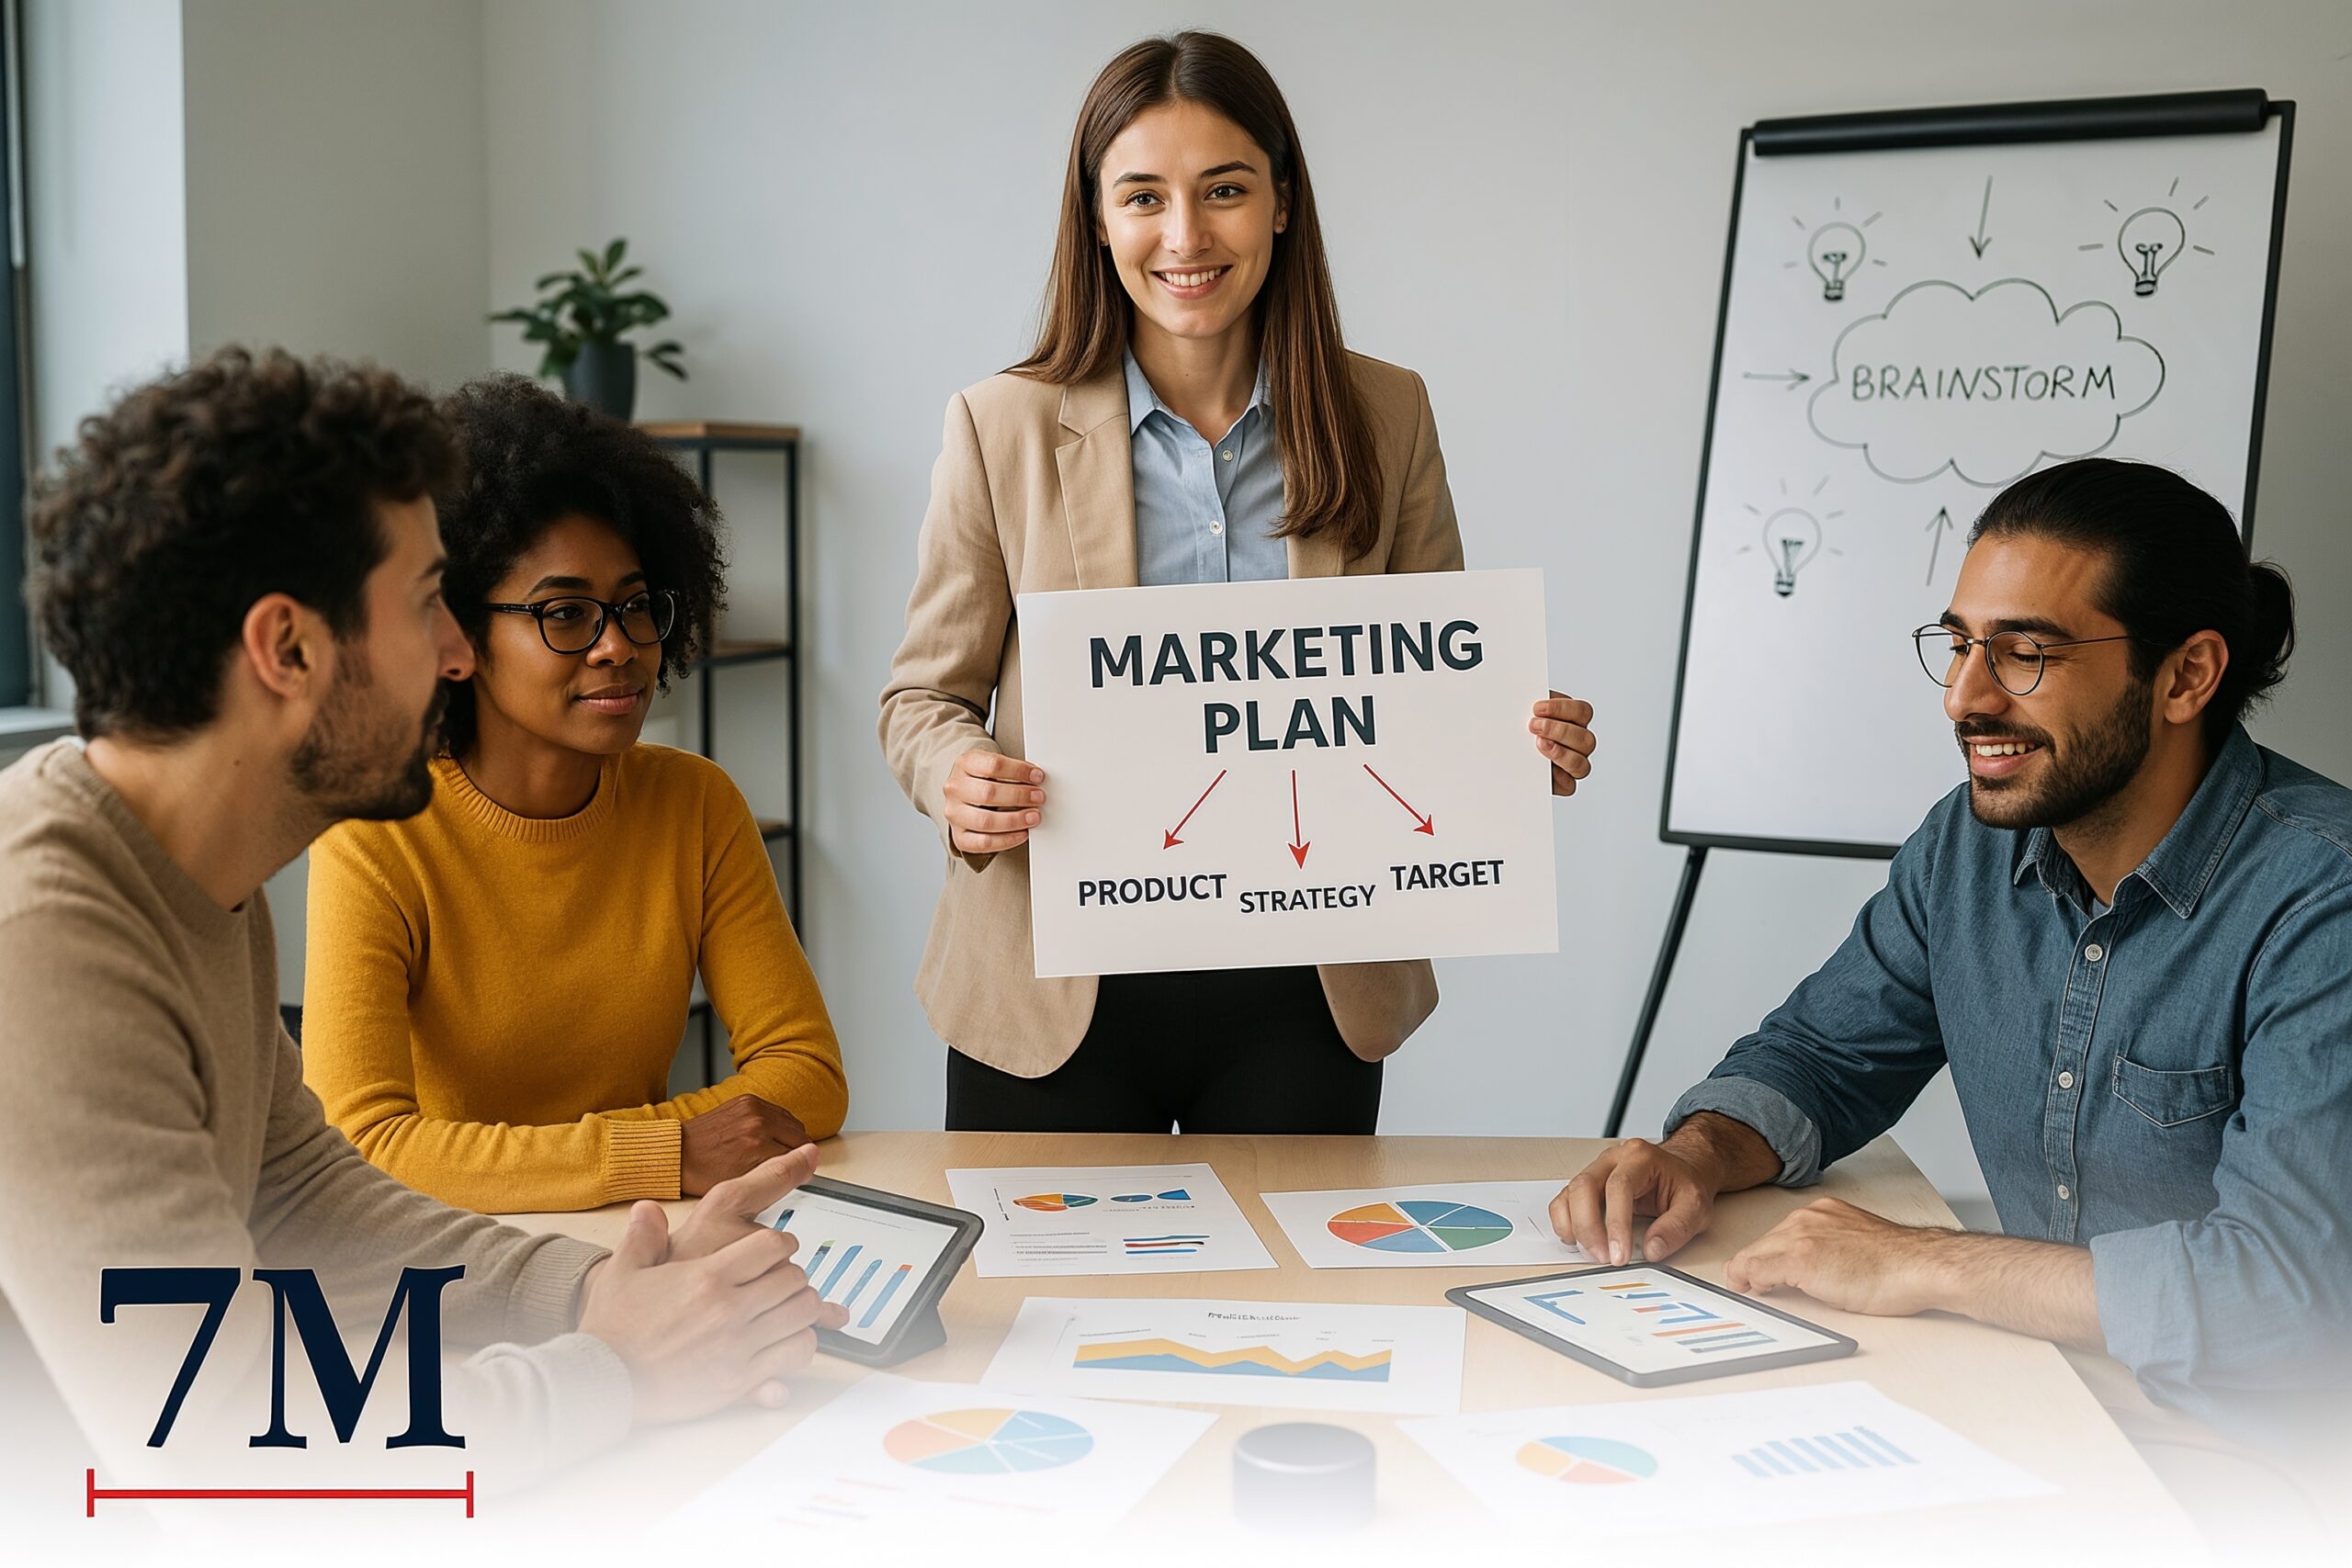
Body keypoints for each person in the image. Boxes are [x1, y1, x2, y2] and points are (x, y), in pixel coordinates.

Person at [0, 348, 845, 1489]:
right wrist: (615, 1369)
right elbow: (219, 1452)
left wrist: (597, 1290)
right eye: (423, 605)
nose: (454, 653)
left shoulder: (204, 876)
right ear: (289, 649)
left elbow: (306, 1194)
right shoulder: (42, 942)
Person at [878, 31, 1598, 1134]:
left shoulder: (1387, 413)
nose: (1184, 236)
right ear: (1097, 218)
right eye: (1142, 197)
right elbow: (921, 699)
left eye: (1223, 189)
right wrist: (955, 778)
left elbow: (1429, 684)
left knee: (1293, 1259)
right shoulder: (999, 424)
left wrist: (1515, 746)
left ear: (1281, 203)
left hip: (1305, 992)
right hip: (1053, 985)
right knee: (1038, 1260)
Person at [1551, 458, 2350, 1436]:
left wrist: (1927, 1260)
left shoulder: (2325, 901)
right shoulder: (1968, 846)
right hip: (2042, 1403)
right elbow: (1823, 1056)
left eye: (2024, 654)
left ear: (2185, 676)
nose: (1964, 697)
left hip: (2266, 1460)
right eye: (1961, 644)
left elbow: (2286, 1295)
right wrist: (1698, 1154)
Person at [300, 376, 845, 1213]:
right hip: (457, 1253)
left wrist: (621, 1166)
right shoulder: (377, 834)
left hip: (645, 1232)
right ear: (459, 633)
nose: (617, 646)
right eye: (564, 614)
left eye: (635, 607)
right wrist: (663, 1151)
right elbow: (363, 1144)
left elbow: (807, 1075)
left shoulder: (695, 804)